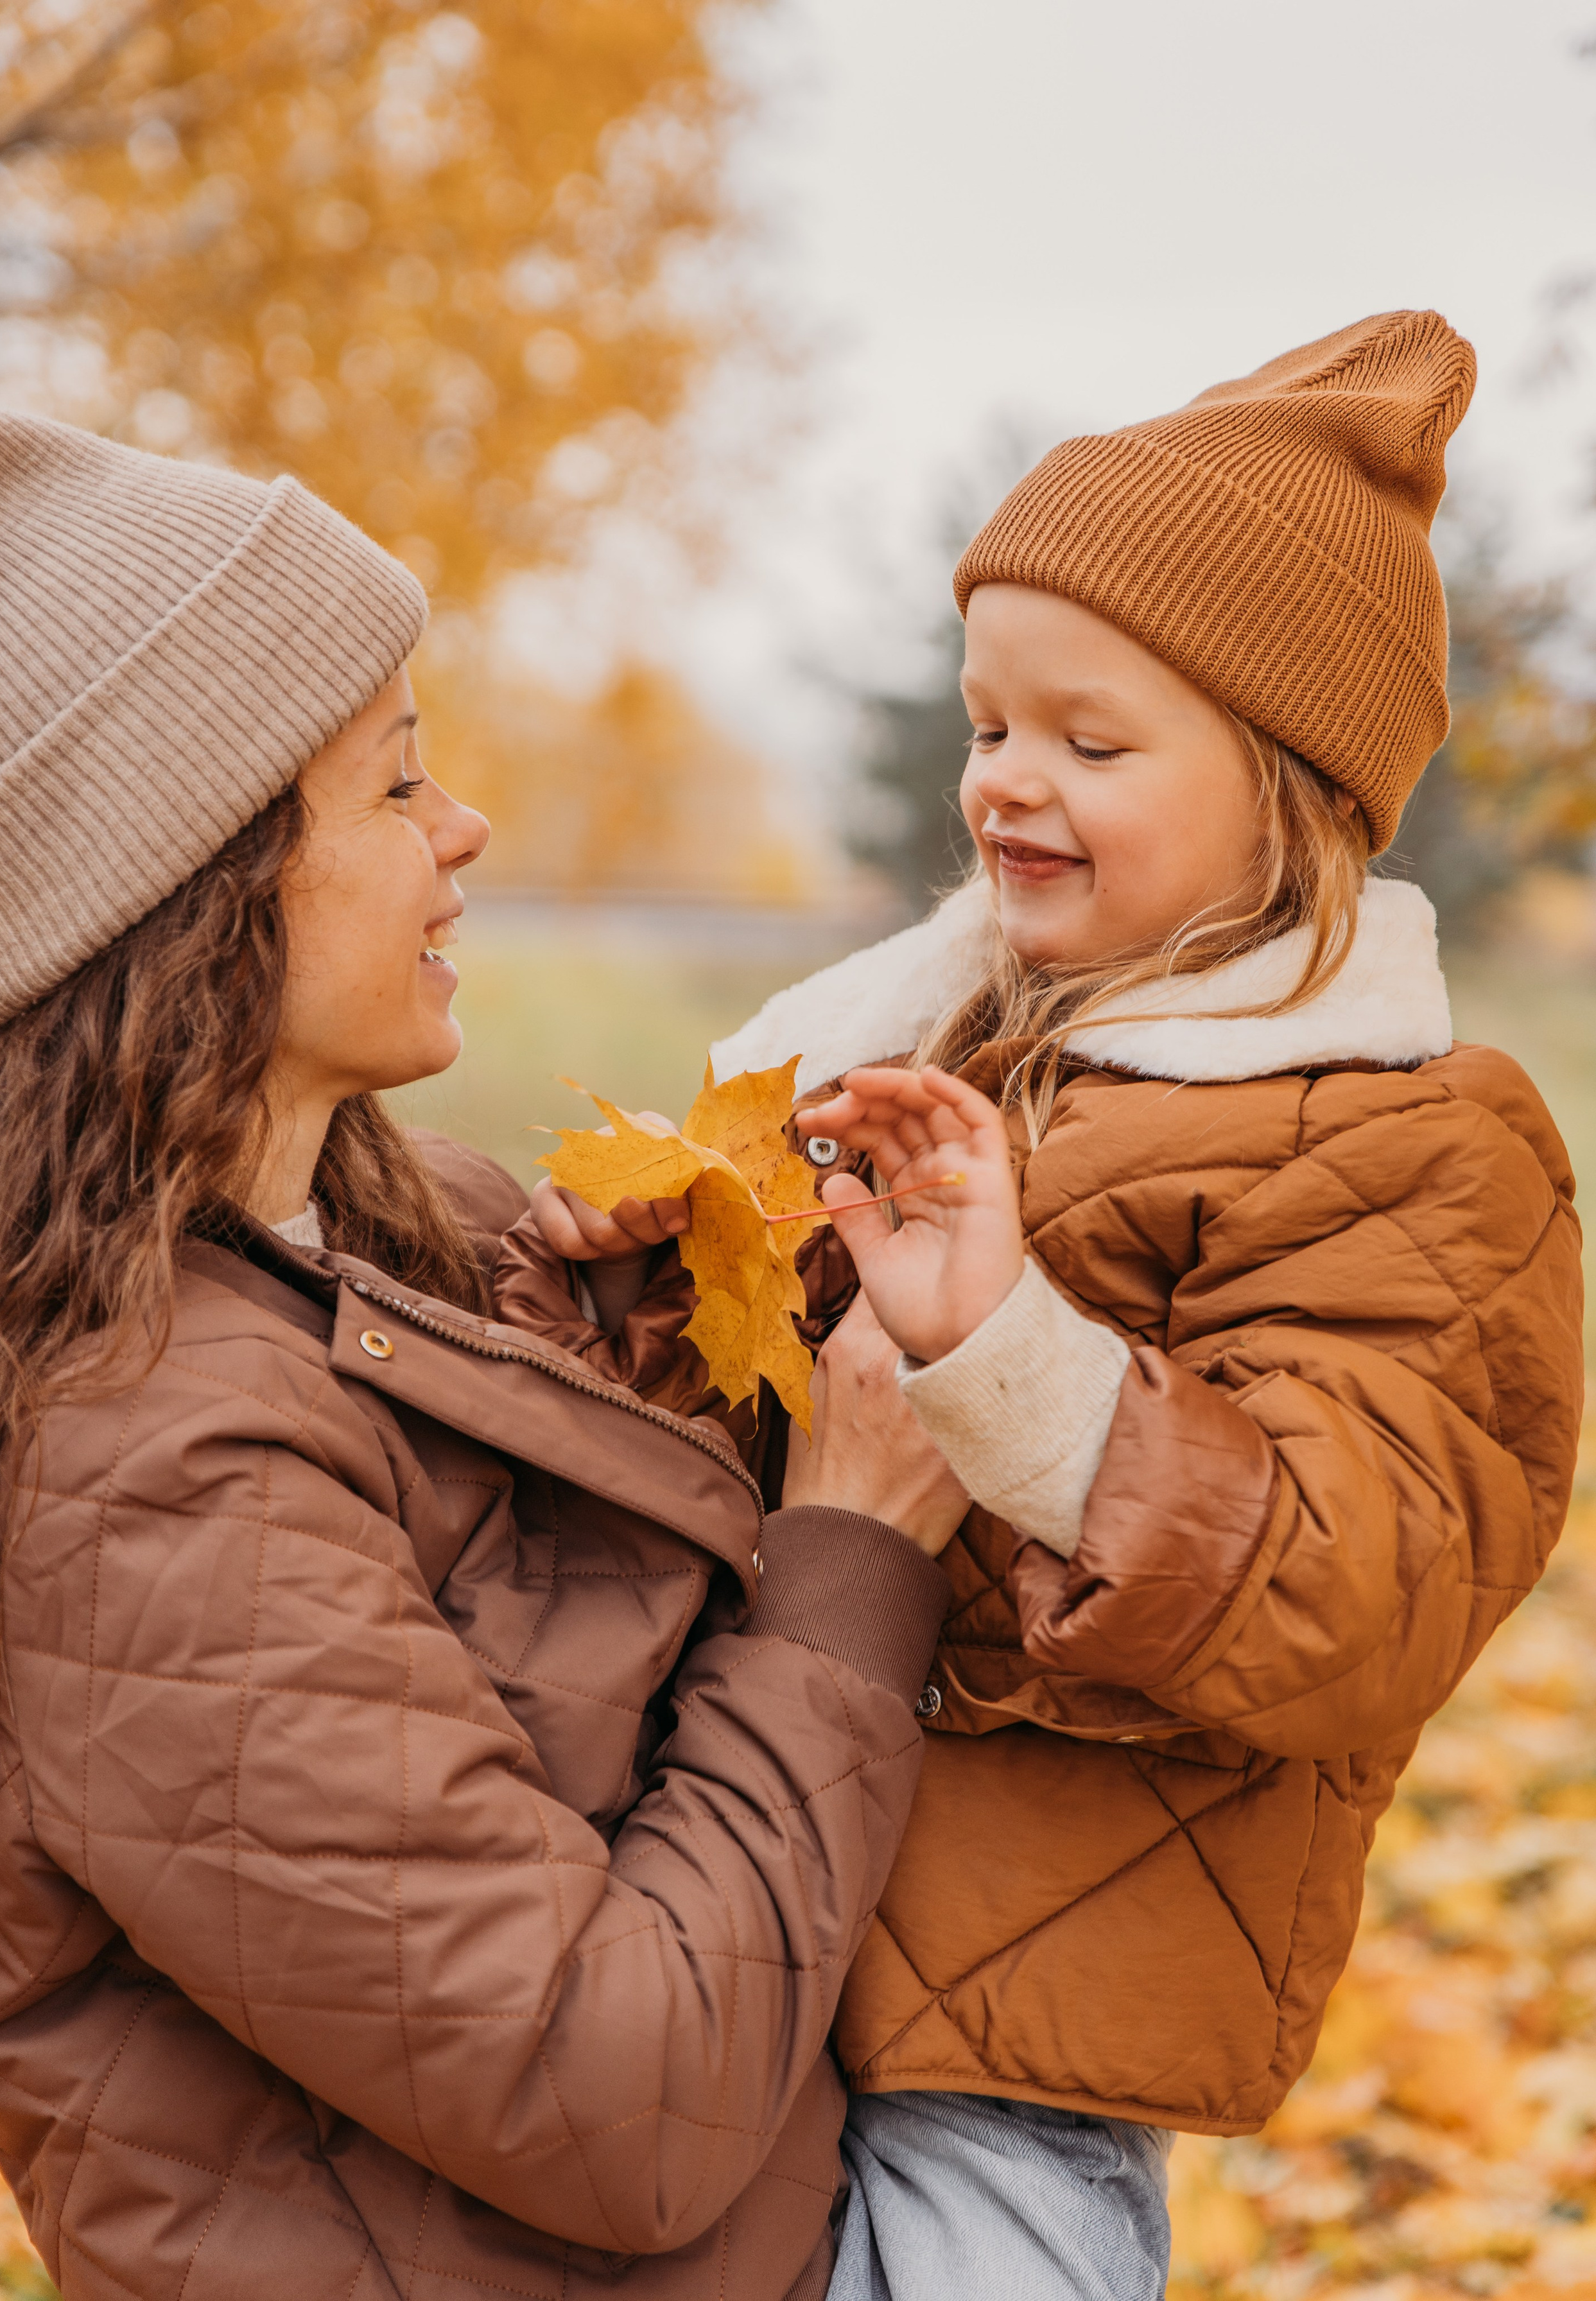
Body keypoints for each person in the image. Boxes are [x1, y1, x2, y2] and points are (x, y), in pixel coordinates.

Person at [533, 313, 1586, 2299]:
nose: (1008, 784)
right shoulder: (905, 1049)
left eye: (1090, 744)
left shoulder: (1417, 1145)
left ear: (1293, 797)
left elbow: (1349, 1588)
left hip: (1011, 2027)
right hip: (725, 1903)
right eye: (989, 725)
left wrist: (1006, 1355)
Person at [0, 403, 973, 2301]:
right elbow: (621, 2098)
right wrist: (856, 1561)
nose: (467, 825)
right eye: (396, 786)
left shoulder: (403, 1233)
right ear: (193, 892)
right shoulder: (135, 1471)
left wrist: (633, 1375)